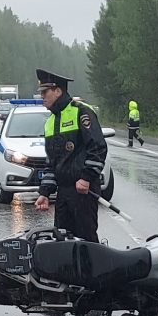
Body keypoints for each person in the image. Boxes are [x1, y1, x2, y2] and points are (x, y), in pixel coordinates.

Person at [31, 68, 107, 244]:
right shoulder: (49, 123)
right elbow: (52, 163)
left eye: (45, 92)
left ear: (58, 91)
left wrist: (87, 178)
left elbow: (97, 147)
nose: (42, 96)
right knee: (62, 240)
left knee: (86, 241)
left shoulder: (81, 112)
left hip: (83, 190)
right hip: (63, 192)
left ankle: (91, 272)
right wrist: (45, 192)